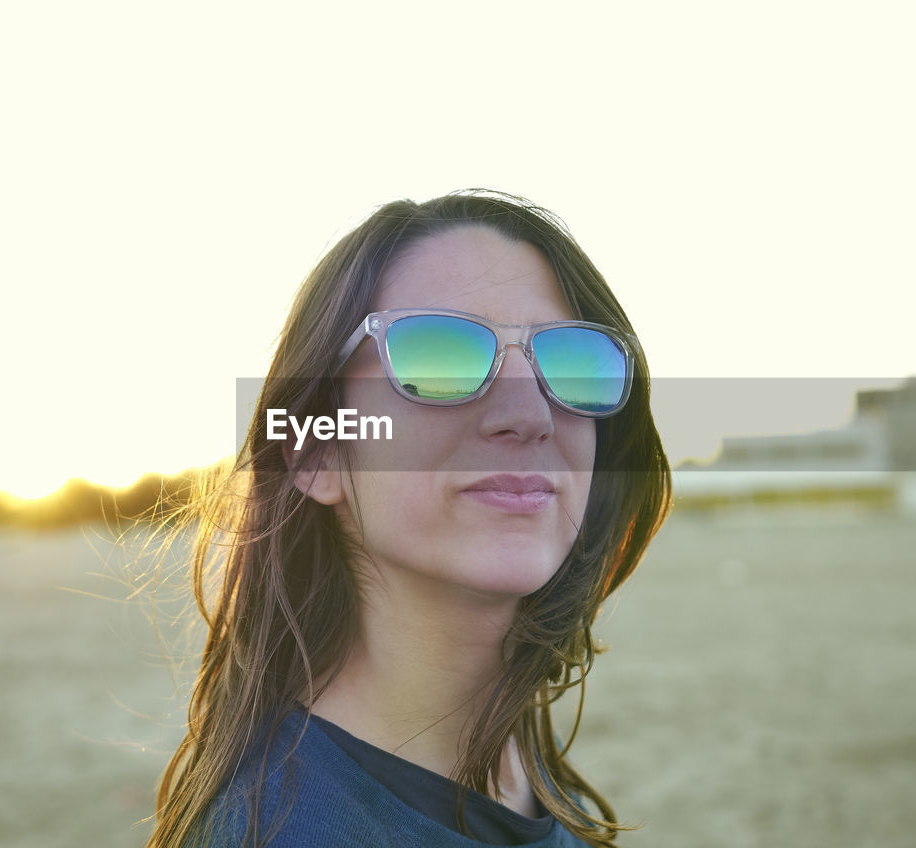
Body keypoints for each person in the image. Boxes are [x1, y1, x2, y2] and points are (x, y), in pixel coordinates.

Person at [146, 190, 671, 848]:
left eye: (572, 362)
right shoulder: (281, 832)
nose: (531, 415)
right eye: (438, 356)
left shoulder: (520, 765)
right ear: (317, 452)